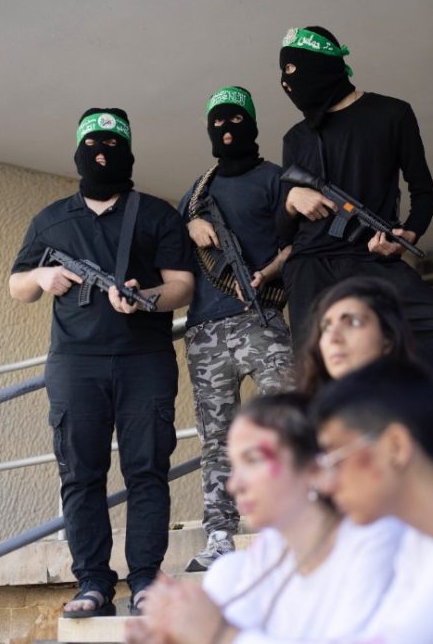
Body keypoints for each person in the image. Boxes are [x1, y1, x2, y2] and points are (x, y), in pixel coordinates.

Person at [138, 359, 433, 644]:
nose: (326, 478)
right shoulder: (426, 535)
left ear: (395, 447)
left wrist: (220, 635)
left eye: (335, 456)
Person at [8, 108, 194, 617]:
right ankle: (92, 583)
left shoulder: (155, 214)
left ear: (128, 152)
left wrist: (145, 297)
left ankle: (146, 579)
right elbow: (17, 285)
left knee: (147, 470)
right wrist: (41, 278)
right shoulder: (51, 220)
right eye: (92, 145)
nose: (101, 154)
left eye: (112, 145)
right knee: (80, 474)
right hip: (76, 363)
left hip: (144, 360)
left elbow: (182, 285)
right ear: (77, 152)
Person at [276, 24, 433, 430]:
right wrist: (292, 201)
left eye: (294, 70)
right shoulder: (296, 137)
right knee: (316, 375)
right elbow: (282, 232)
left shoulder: (391, 113)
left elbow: (424, 192)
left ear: (324, 65)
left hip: (370, 256)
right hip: (311, 264)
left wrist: (408, 234)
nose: (286, 82)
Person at [125, 393, 401, 643]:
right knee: (225, 571)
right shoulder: (267, 550)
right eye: (234, 465)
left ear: (315, 467)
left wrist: (219, 634)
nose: (234, 485)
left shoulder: (376, 541)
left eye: (253, 460)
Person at [177, 86, 295, 572]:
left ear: (252, 124)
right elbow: (174, 259)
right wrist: (190, 227)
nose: (226, 130)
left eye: (235, 120)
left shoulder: (276, 179)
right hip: (205, 331)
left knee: (283, 424)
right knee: (217, 439)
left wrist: (269, 272)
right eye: (218, 123)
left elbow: (299, 243)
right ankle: (220, 535)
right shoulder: (196, 194)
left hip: (261, 319)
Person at [296, 276, 433, 463]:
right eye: (326, 327)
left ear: (388, 340)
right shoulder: (305, 417)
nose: (334, 337)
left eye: (353, 322)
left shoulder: (421, 400)